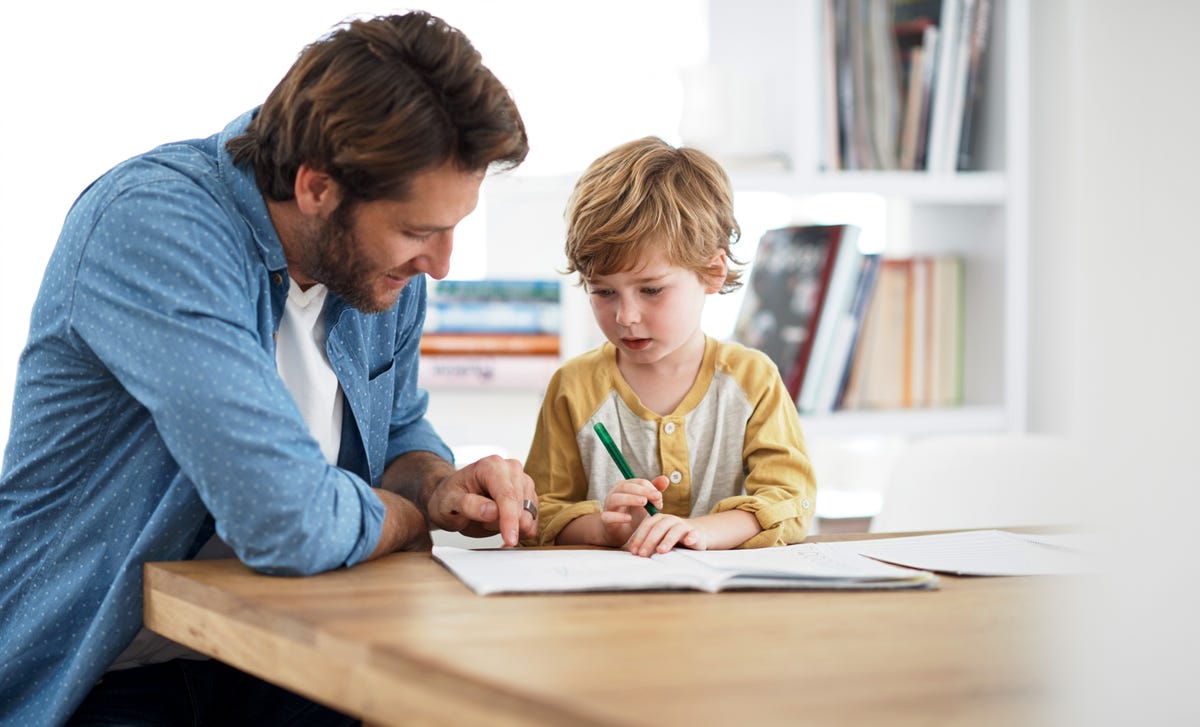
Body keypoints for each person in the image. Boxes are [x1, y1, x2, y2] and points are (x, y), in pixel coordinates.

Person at [0, 12, 535, 726]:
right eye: (418, 231)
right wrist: (406, 520)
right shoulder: (155, 226)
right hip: (100, 675)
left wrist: (438, 486)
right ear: (317, 187)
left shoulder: (376, 272)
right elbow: (288, 521)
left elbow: (399, 428)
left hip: (281, 647)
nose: (441, 264)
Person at [524, 137, 817, 557]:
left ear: (712, 273)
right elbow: (542, 513)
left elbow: (790, 502)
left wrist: (700, 531)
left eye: (651, 289)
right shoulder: (574, 387)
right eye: (603, 292)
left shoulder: (753, 380)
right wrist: (605, 528)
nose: (625, 316)